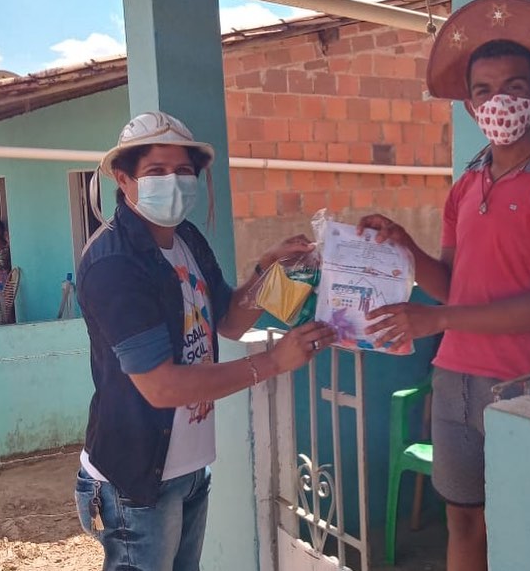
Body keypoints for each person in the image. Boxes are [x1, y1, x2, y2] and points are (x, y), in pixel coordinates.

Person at [358, 0, 530, 571]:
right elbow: (452, 285)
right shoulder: (466, 186)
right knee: (463, 521)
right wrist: (405, 246)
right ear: (469, 105)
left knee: (521, 523)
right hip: (454, 381)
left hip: (526, 384)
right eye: (484, 91)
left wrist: (437, 320)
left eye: (514, 87)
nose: (499, 102)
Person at [74, 111, 336, 571]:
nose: (173, 182)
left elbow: (229, 320)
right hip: (137, 480)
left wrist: (268, 268)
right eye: (156, 171)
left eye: (182, 170)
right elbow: (162, 387)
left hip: (189, 468)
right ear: (123, 178)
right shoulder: (114, 263)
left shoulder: (186, 238)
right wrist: (273, 362)